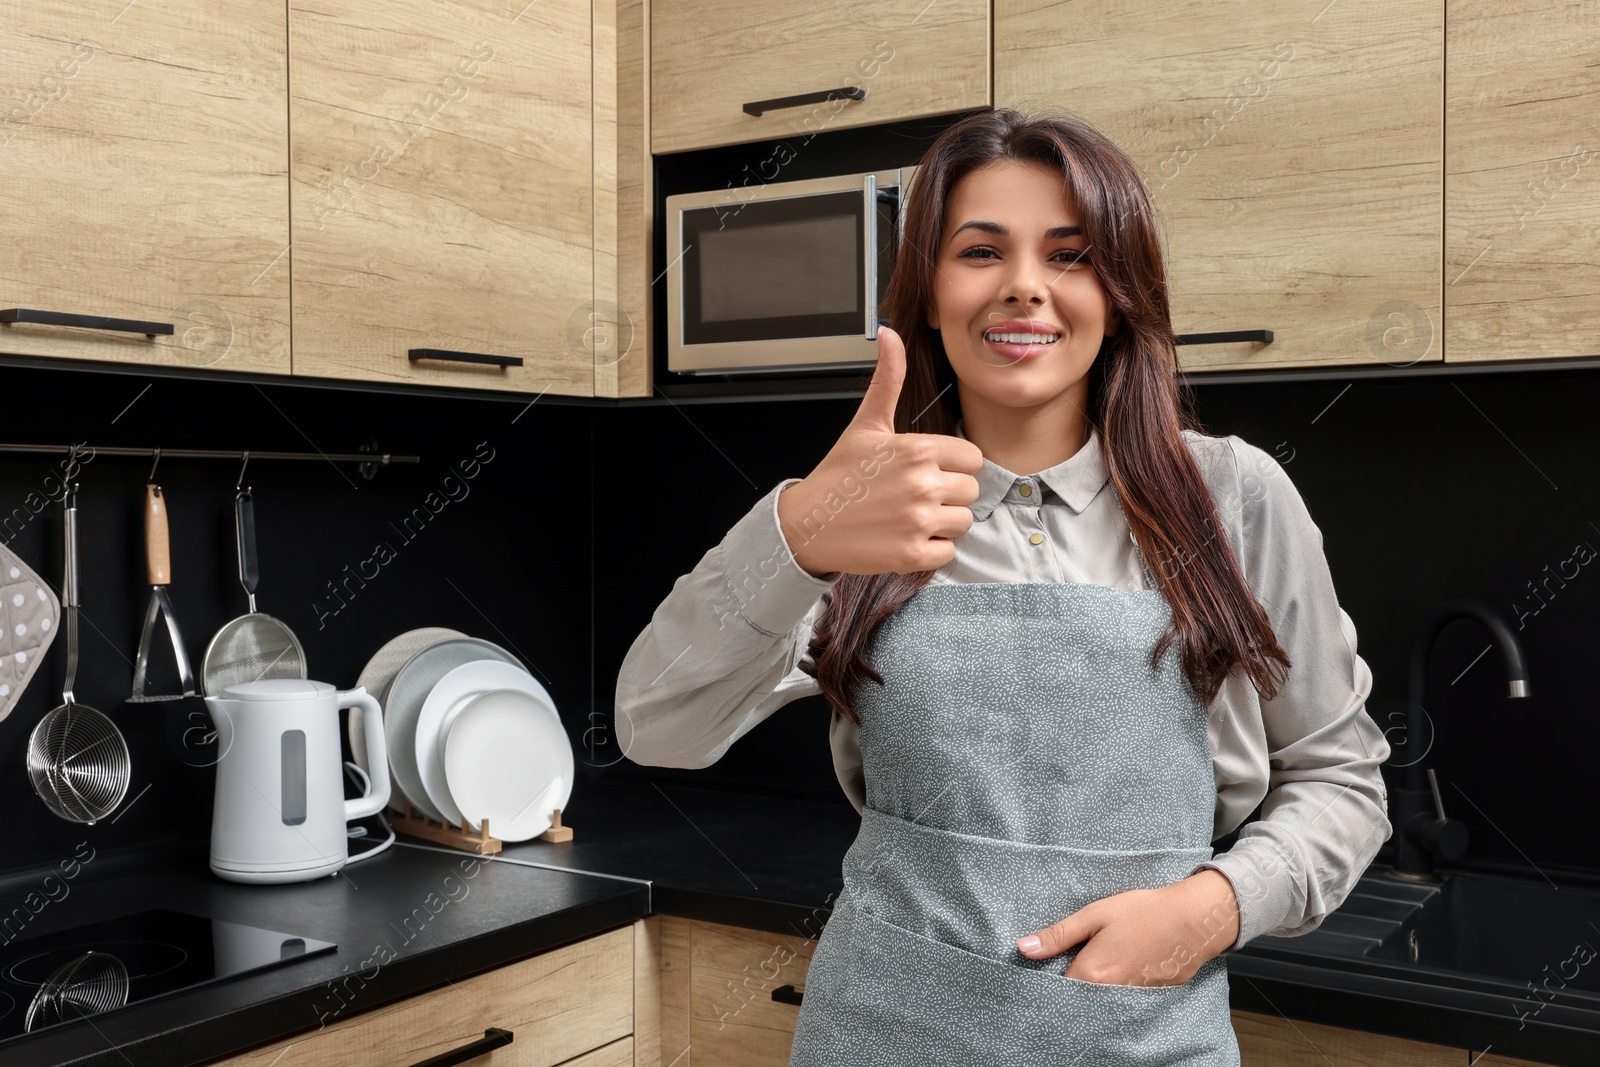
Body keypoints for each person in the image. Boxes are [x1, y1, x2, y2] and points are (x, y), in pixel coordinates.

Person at [614, 107, 1392, 1066]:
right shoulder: (859, 509)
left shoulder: (1233, 498)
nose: (1025, 287)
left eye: (1070, 255)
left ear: (1121, 292)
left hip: (1149, 1041)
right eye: (980, 251)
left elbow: (1341, 779)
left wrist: (1214, 907)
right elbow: (656, 724)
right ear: (930, 292)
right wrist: (799, 536)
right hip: (879, 1036)